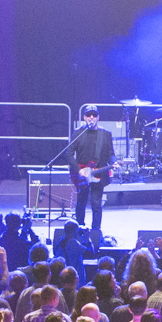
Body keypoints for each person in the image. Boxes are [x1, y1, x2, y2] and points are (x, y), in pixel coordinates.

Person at [70, 106, 116, 250]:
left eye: (94, 115)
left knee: (96, 205)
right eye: (88, 115)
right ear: (84, 117)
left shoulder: (105, 134)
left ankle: (95, 234)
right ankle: (78, 232)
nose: (91, 118)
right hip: (82, 176)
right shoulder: (78, 133)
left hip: (98, 175)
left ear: (98, 117)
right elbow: (68, 154)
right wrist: (79, 170)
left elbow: (110, 153)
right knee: (81, 204)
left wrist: (114, 162)